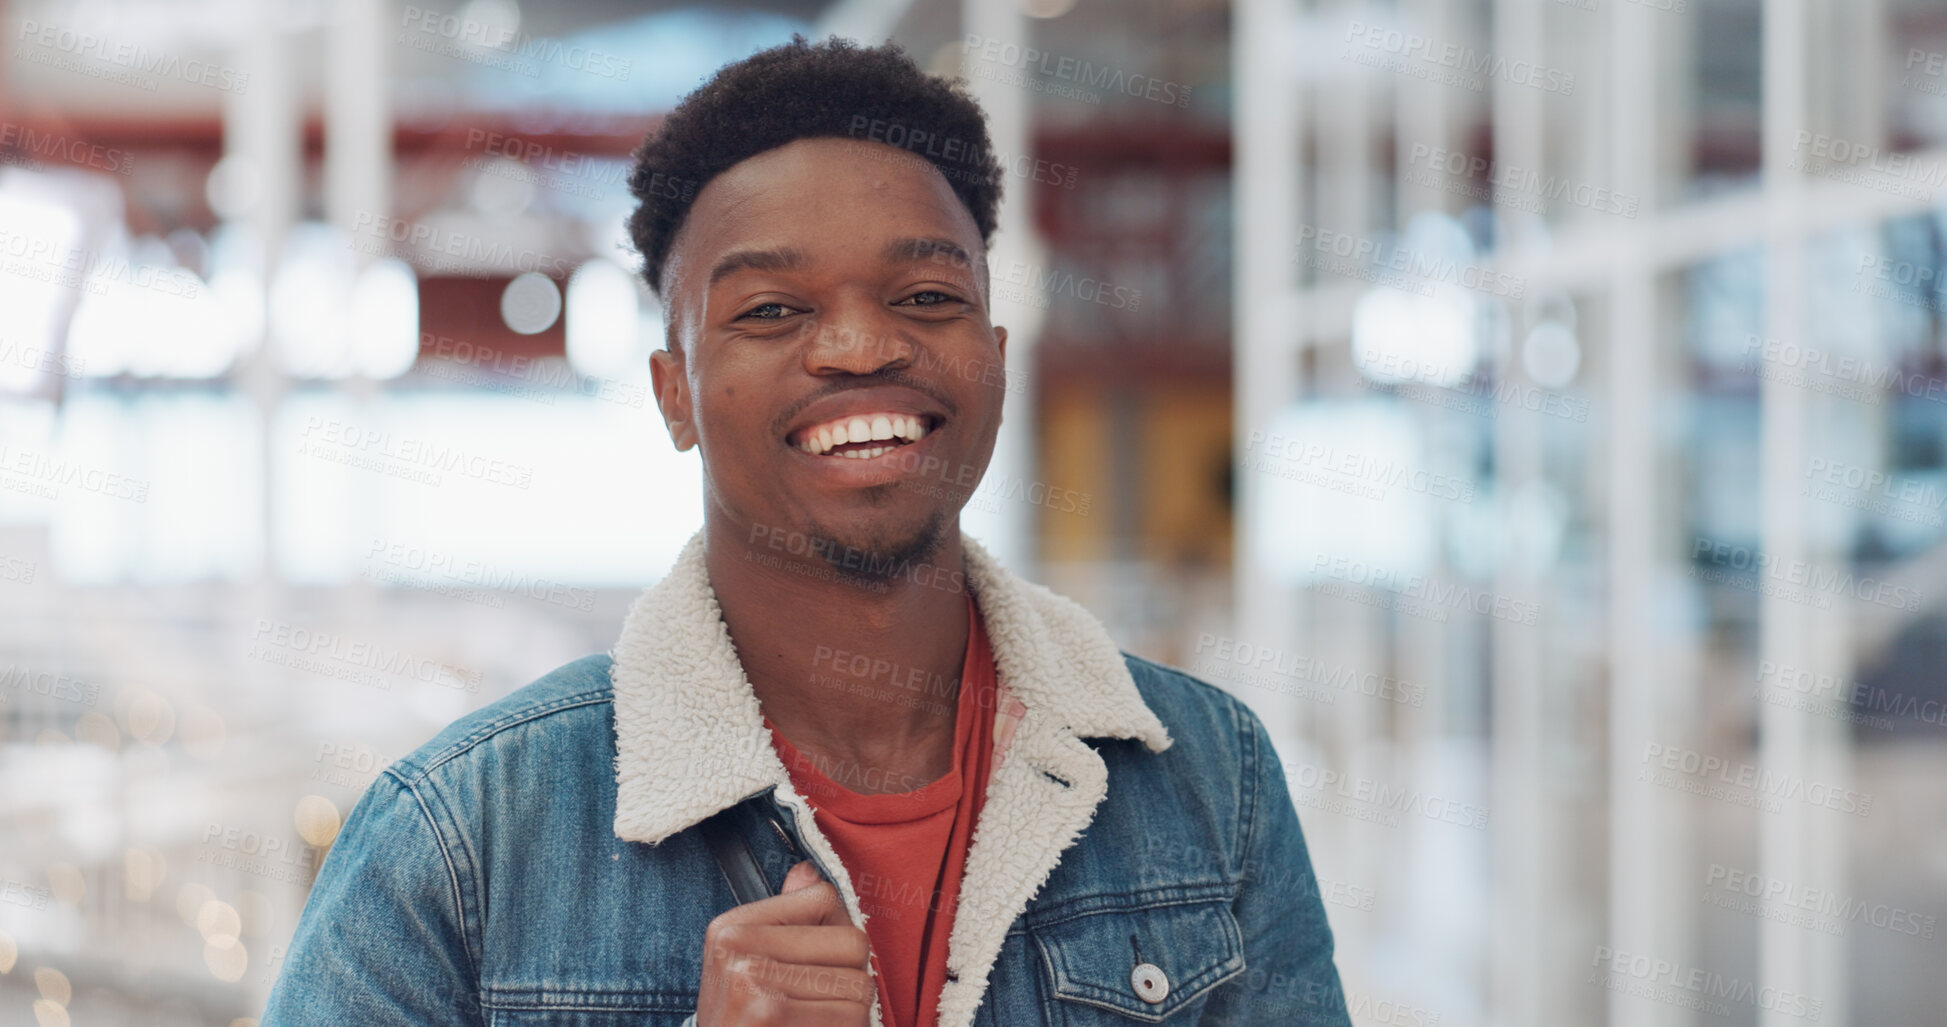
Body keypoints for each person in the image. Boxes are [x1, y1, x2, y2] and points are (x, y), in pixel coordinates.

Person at [261, 35, 1350, 1027]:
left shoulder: (1212, 779)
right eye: (772, 310)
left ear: (998, 356)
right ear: (674, 392)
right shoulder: (463, 839)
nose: (860, 345)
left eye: (927, 294)